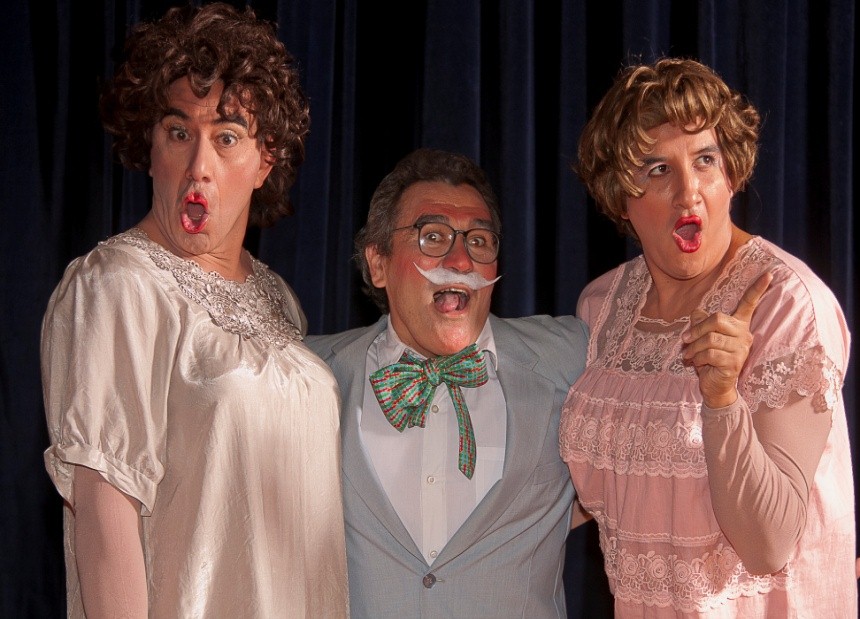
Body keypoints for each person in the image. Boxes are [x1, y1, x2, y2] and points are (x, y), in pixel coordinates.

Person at [40, 4, 348, 617]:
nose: (198, 167)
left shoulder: (277, 298)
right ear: (149, 146)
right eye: (178, 133)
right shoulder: (117, 287)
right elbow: (104, 515)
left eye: (227, 138)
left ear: (265, 160)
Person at [559, 57, 856, 616]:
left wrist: (722, 400)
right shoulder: (601, 308)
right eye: (657, 169)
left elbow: (768, 544)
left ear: (732, 173)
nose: (688, 192)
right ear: (620, 195)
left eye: (705, 160)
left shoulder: (788, 305)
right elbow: (597, 489)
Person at [306, 147, 589, 618]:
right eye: (432, 236)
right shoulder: (311, 374)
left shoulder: (570, 356)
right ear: (378, 263)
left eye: (479, 240)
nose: (460, 261)